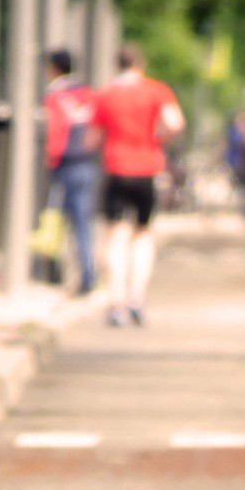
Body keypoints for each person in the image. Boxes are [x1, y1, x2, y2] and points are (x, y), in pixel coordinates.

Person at [94, 43, 185, 326]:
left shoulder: (106, 94)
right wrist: (158, 140)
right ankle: (137, 297)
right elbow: (175, 122)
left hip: (116, 167)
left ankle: (116, 302)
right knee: (143, 235)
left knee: (116, 236)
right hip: (147, 168)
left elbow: (91, 137)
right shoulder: (156, 90)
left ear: (116, 65)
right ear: (140, 65)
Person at [43, 48, 100, 295]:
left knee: (57, 219)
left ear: (54, 68)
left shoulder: (55, 95)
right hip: (86, 163)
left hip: (64, 164)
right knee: (82, 221)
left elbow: (55, 130)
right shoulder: (87, 94)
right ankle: (88, 272)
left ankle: (59, 272)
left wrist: (51, 159)